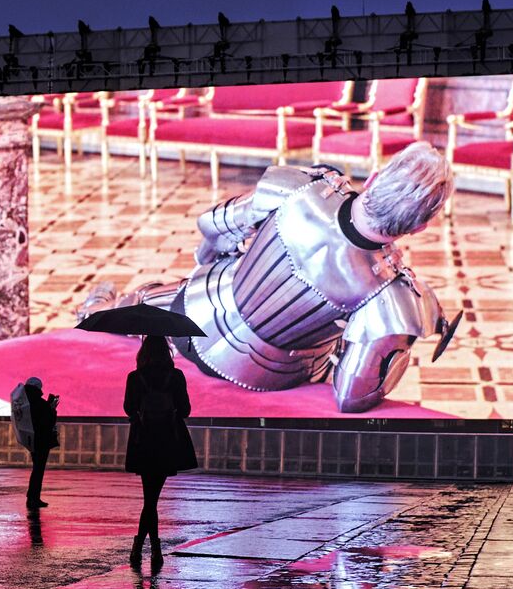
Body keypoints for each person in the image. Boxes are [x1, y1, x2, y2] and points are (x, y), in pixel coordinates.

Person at [83, 143, 460, 413]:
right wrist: (400, 340)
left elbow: (214, 224)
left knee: (141, 301)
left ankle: (100, 311)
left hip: (198, 310)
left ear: (377, 176)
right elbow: (351, 395)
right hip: (271, 372)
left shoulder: (303, 185)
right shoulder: (392, 296)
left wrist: (208, 264)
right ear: (421, 227)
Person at [123, 335, 197, 572]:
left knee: (150, 498)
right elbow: (185, 410)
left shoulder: (135, 377)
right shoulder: (175, 376)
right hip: (167, 440)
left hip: (143, 440)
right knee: (151, 498)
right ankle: (152, 547)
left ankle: (142, 546)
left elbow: (128, 408)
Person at [23, 377, 59, 510]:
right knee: (38, 470)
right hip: (42, 440)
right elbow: (48, 421)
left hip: (32, 439)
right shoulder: (40, 403)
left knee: (36, 469)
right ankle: (33, 498)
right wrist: (52, 408)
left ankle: (32, 496)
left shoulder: (25, 401)